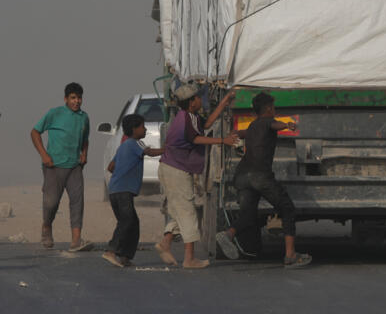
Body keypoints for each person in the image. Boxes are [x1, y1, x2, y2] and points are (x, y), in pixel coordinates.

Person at [215, 92, 312, 268]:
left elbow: (240, 133)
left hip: (242, 176)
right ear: (268, 109)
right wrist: (287, 124)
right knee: (287, 208)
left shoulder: (252, 126)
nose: (274, 110)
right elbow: (274, 125)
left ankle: (228, 234)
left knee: (248, 214)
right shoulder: (268, 121)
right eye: (274, 107)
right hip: (260, 176)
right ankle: (290, 255)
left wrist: (235, 133)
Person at [156, 84, 238, 269]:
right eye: (198, 97)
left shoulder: (189, 117)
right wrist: (223, 141)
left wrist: (225, 101)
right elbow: (196, 139)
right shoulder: (186, 119)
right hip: (176, 169)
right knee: (188, 211)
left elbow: (207, 124)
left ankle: (165, 243)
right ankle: (189, 258)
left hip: (172, 167)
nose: (201, 100)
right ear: (192, 102)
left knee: (179, 209)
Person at [30, 82, 93, 253]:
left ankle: (76, 240)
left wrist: (84, 154)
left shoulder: (84, 117)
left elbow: (85, 138)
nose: (76, 101)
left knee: (77, 202)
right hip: (54, 165)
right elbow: (35, 132)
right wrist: (44, 155)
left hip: (74, 166)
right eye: (73, 98)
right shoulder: (54, 113)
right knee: (51, 203)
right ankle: (46, 226)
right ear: (66, 99)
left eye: (79, 98)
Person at [102, 114, 164, 268]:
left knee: (133, 223)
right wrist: (168, 150)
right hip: (123, 191)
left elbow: (110, 167)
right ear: (134, 129)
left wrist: (124, 168)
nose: (145, 129)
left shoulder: (123, 146)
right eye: (142, 126)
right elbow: (150, 152)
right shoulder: (135, 143)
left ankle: (125, 256)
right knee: (127, 221)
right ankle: (111, 251)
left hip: (115, 191)